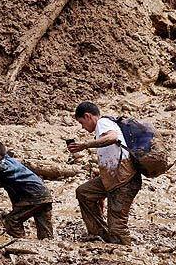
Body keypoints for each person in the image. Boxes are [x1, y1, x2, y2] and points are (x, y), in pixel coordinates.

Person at [68, 101, 141, 245]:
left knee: (117, 227)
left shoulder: (103, 123)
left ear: (88, 116)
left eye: (82, 123)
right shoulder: (102, 128)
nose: (83, 127)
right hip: (113, 178)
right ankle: (100, 235)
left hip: (124, 181)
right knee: (84, 192)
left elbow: (112, 137)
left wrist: (85, 145)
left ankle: (125, 252)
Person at [0, 140, 53, 240]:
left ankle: (20, 244)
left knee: (12, 220)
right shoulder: (11, 162)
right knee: (44, 228)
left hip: (33, 196)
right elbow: (11, 179)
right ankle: (47, 246)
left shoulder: (5, 164)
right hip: (43, 195)